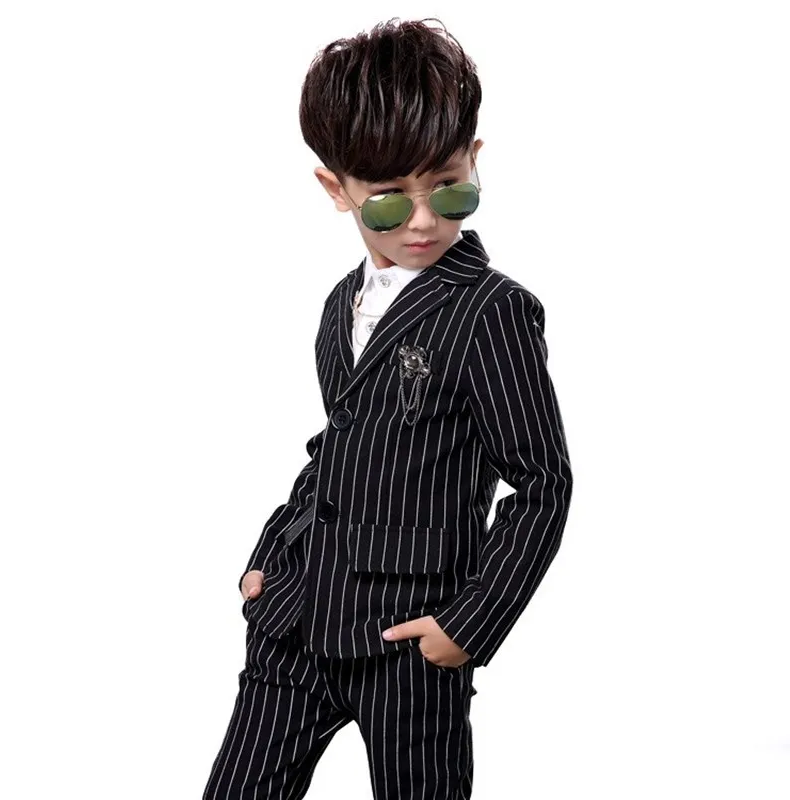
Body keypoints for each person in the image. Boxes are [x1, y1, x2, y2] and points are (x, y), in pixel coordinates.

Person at [203, 17, 573, 800]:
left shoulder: (492, 312)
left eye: (450, 188)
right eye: (386, 204)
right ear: (335, 190)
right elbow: (338, 446)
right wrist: (271, 553)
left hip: (409, 638)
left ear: (475, 159)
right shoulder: (339, 304)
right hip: (296, 619)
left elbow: (543, 483)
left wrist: (468, 626)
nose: (425, 220)